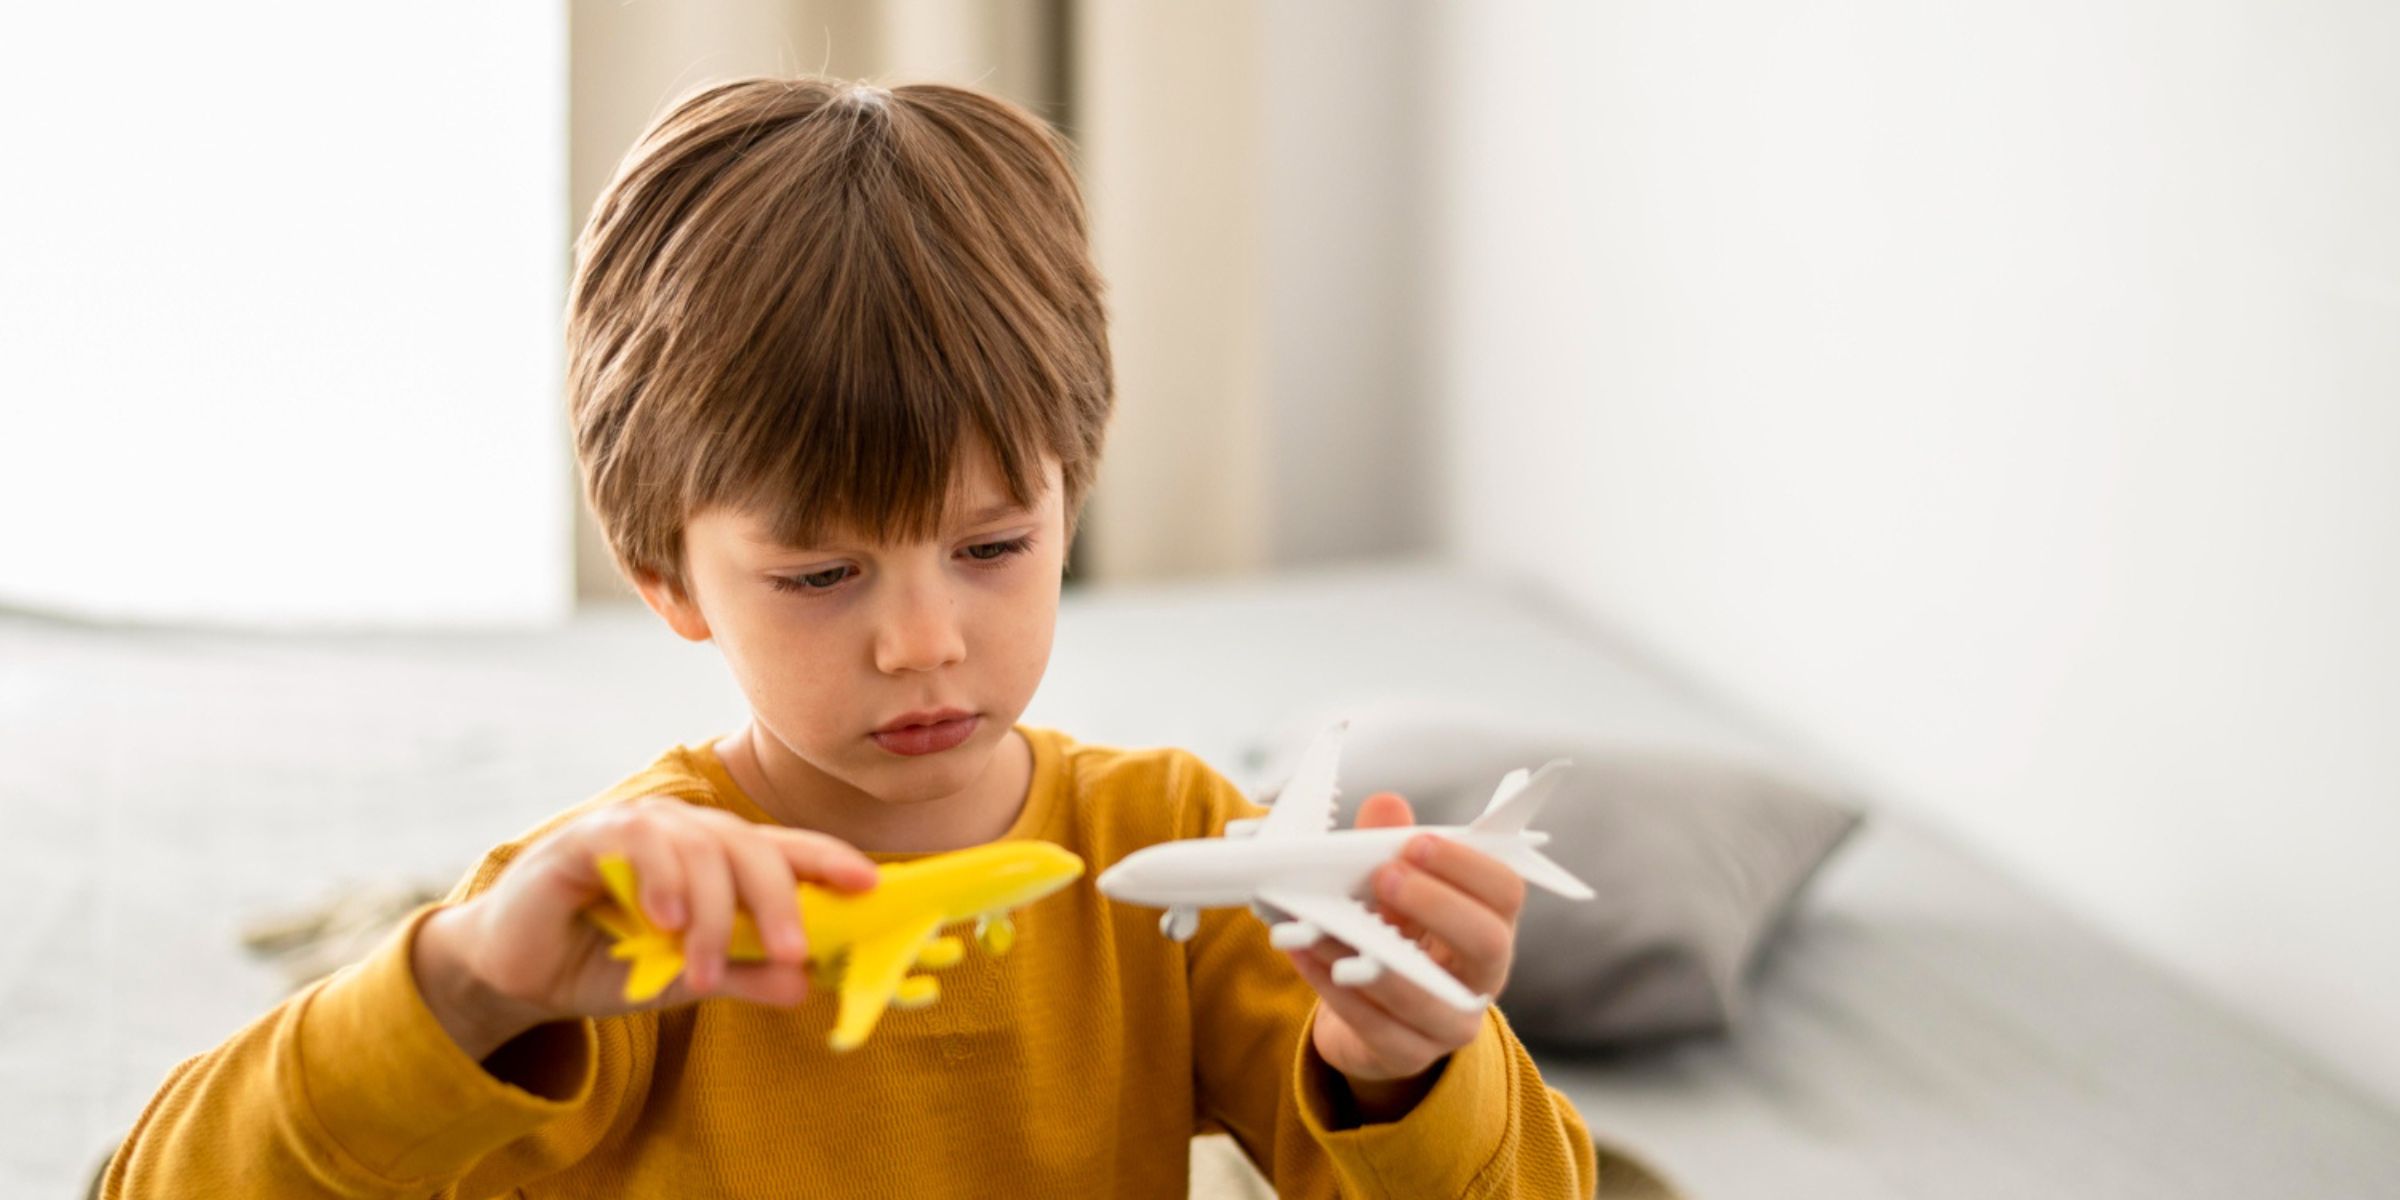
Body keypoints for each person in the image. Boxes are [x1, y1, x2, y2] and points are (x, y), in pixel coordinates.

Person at [100, 76, 1600, 1198]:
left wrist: (1408, 1063)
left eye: (993, 548)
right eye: (822, 575)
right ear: (666, 577)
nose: (924, 642)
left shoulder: (1171, 844)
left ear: (1072, 504)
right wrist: (472, 982)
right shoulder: (615, 910)